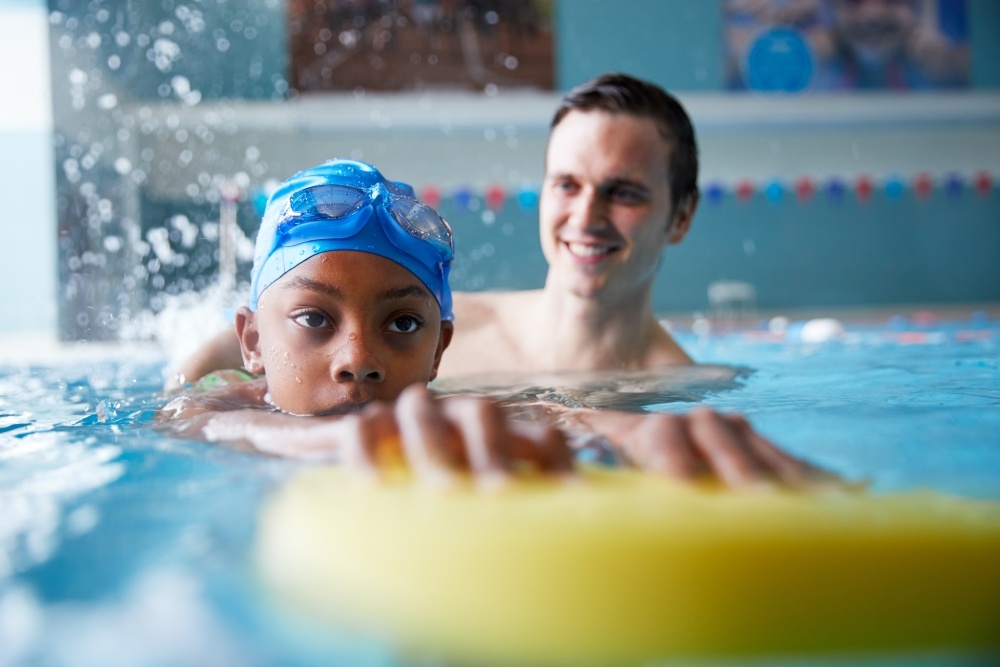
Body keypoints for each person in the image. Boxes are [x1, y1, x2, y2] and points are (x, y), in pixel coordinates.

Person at [159, 158, 821, 488]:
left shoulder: (456, 406)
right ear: (253, 340)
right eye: (314, 318)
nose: (357, 357)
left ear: (442, 348)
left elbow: (553, 412)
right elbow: (216, 425)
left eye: (403, 325)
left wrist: (646, 434)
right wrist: (355, 440)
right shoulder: (222, 400)